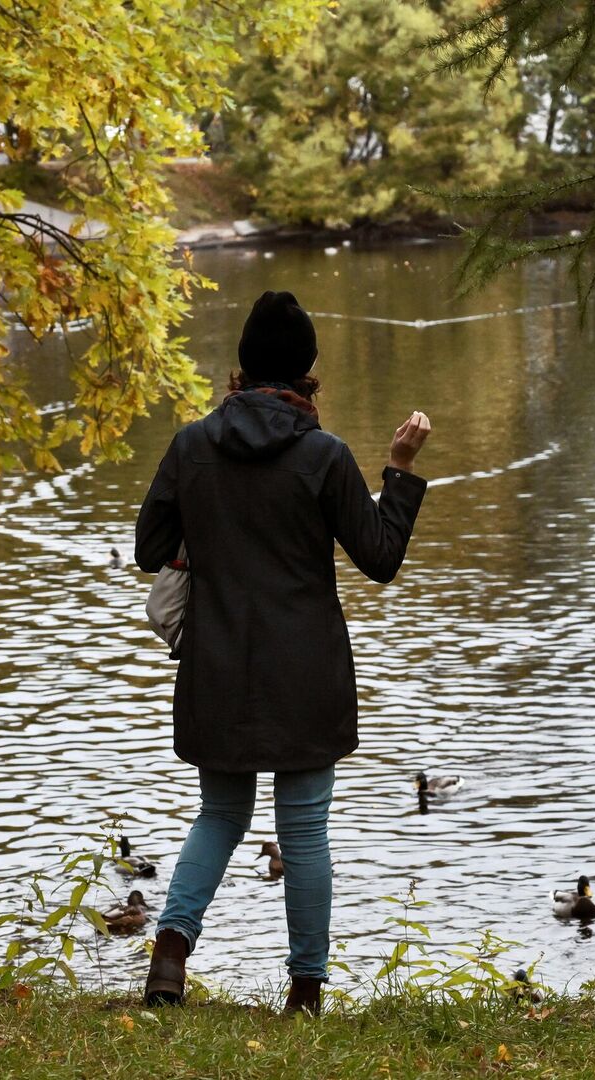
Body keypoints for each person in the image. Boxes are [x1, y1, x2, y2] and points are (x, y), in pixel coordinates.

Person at [133, 289, 432, 1016]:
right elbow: (381, 557)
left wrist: (209, 528)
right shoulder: (323, 456)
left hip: (217, 666)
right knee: (304, 833)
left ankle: (170, 952)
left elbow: (150, 549)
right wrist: (398, 467)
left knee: (220, 815)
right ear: (305, 371)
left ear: (241, 368)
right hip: (306, 672)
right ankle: (304, 992)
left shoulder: (191, 444)